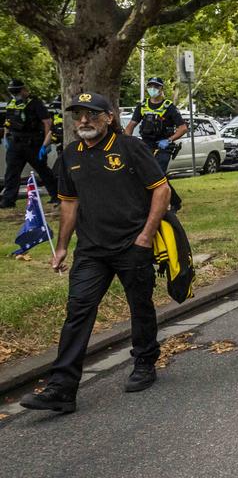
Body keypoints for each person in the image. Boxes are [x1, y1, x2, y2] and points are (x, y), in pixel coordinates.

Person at [19, 93, 170, 413]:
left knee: (140, 306)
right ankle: (62, 387)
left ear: (109, 117)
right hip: (91, 251)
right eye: (79, 115)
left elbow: (161, 189)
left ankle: (145, 362)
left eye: (92, 114)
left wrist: (146, 235)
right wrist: (62, 246)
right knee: (78, 310)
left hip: (132, 244)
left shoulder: (131, 148)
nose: (84, 121)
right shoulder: (70, 155)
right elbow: (69, 204)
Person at [2, 78, 57, 207]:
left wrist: (45, 144)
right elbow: (8, 121)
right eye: (13, 92)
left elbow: (47, 122)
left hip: (33, 144)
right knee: (11, 173)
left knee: (43, 171)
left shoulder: (35, 103)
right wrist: (6, 136)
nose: (15, 95)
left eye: (17, 92)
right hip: (15, 143)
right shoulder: (12, 102)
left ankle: (56, 196)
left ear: (23, 90)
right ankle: (8, 201)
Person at [124, 77, 188, 175]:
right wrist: (129, 142)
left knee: (158, 174)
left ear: (161, 89)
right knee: (141, 173)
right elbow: (130, 126)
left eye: (156, 86)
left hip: (162, 147)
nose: (153, 88)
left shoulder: (169, 107)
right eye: (150, 86)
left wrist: (169, 140)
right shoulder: (142, 106)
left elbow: (183, 128)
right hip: (146, 145)